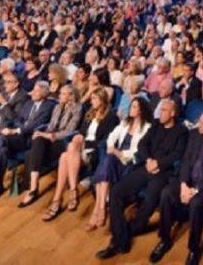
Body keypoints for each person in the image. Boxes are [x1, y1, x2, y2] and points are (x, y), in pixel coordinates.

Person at [96, 98, 188, 259]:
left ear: (173, 113)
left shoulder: (181, 131)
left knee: (150, 202)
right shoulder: (156, 125)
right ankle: (121, 240)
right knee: (117, 191)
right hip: (146, 166)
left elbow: (178, 154)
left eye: (164, 110)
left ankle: (118, 240)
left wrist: (158, 163)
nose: (160, 112)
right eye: (160, 110)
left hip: (162, 173)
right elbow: (142, 145)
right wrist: (148, 160)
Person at [149, 111, 203, 265]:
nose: (200, 125)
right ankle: (165, 239)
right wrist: (184, 184)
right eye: (199, 121)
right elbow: (186, 161)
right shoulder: (194, 134)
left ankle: (194, 248)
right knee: (166, 193)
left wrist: (195, 190)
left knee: (196, 203)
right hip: (188, 181)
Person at [66, 97, 151, 227]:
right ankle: (101, 208)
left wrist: (120, 153)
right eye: (131, 106)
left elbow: (138, 150)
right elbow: (111, 136)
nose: (131, 109)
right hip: (115, 158)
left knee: (107, 163)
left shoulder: (147, 128)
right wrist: (112, 148)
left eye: (134, 107)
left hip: (130, 163)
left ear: (141, 111)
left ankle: (98, 210)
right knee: (108, 162)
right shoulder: (125, 123)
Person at [0, 83, 76, 205]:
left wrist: (48, 135)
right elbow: (49, 126)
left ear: (71, 96)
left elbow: (70, 130)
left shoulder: (73, 108)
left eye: (63, 94)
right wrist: (43, 133)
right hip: (39, 136)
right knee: (3, 149)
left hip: (60, 141)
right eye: (60, 93)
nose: (59, 96)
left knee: (9, 139)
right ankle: (4, 185)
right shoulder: (57, 107)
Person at [40, 88, 118, 219]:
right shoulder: (90, 113)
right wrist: (79, 138)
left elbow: (105, 141)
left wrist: (84, 143)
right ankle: (68, 194)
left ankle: (59, 200)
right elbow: (82, 131)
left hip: (95, 151)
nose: (91, 101)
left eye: (94, 99)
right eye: (91, 98)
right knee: (67, 152)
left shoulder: (111, 117)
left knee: (67, 154)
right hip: (80, 150)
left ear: (102, 100)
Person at [0, 80, 55, 192]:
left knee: (3, 138)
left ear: (44, 93)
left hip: (30, 139)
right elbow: (18, 119)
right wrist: (16, 129)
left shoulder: (48, 106)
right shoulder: (29, 103)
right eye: (33, 90)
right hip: (18, 136)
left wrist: (16, 131)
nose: (32, 93)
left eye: (36, 91)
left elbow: (36, 126)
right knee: (2, 150)